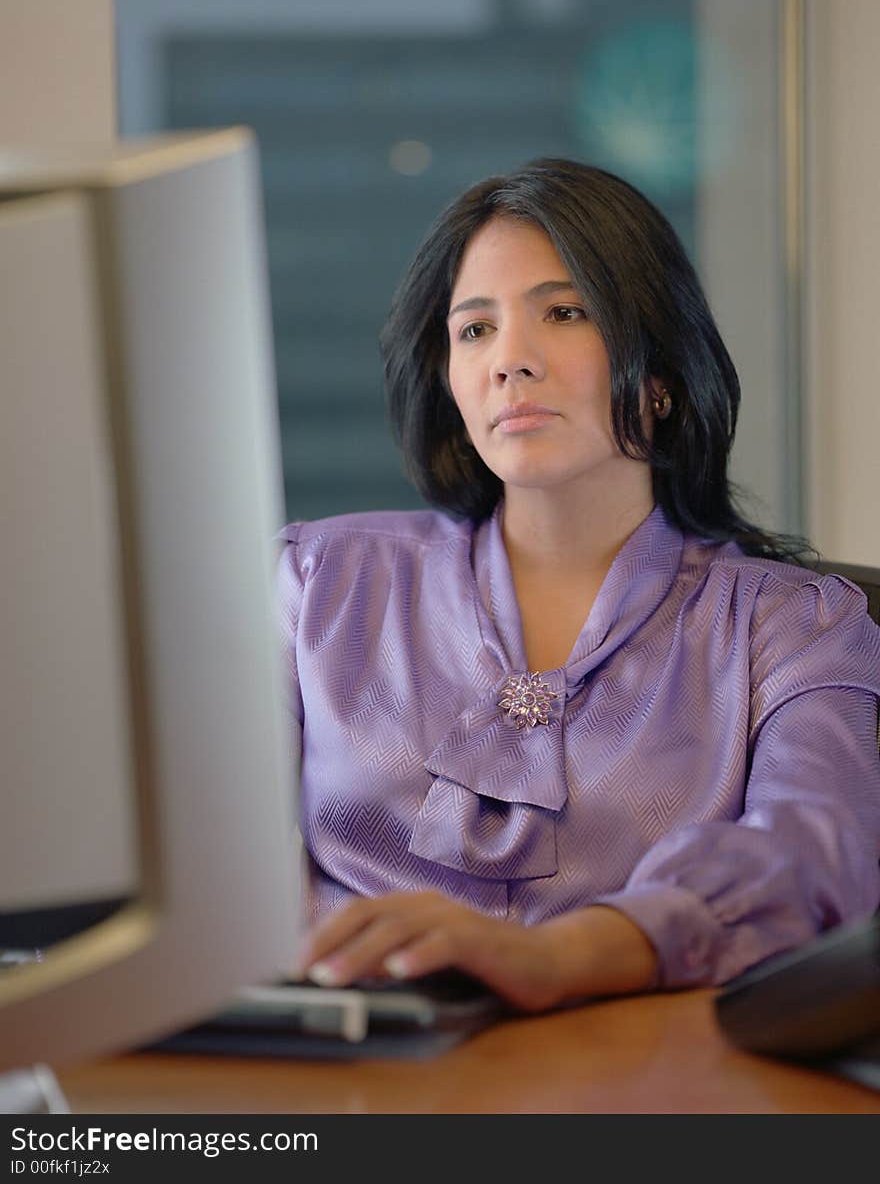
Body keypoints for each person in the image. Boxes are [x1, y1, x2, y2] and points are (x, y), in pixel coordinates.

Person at [279, 158, 880, 1012]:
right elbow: (193, 853)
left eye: (565, 313)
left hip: (642, 1089)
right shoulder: (311, 585)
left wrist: (559, 958)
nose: (510, 362)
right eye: (475, 329)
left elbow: (820, 855)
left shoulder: (797, 626)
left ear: (661, 374)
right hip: (330, 1074)